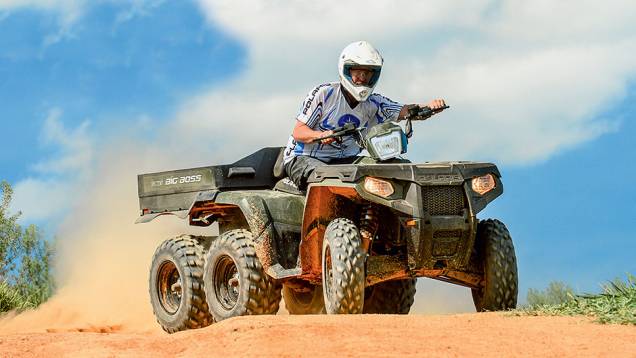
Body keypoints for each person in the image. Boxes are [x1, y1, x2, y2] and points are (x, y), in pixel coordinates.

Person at [283, 40, 446, 189]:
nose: (362, 78)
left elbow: (405, 110)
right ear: (346, 70)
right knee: (327, 178)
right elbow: (298, 132)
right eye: (358, 72)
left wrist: (429, 106)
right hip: (302, 158)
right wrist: (322, 135)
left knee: (394, 169)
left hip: (343, 162)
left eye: (367, 73)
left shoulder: (374, 103)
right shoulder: (324, 94)